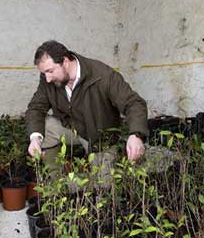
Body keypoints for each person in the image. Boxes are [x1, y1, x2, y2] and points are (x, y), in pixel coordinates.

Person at [25, 40, 148, 169]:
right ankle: (54, 184)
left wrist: (136, 135)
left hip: (99, 137)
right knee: (42, 127)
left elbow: (134, 103)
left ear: (65, 62)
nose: (48, 78)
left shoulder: (102, 76)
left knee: (104, 186)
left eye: (50, 71)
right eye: (44, 73)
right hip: (72, 128)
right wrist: (35, 139)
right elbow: (35, 108)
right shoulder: (48, 79)